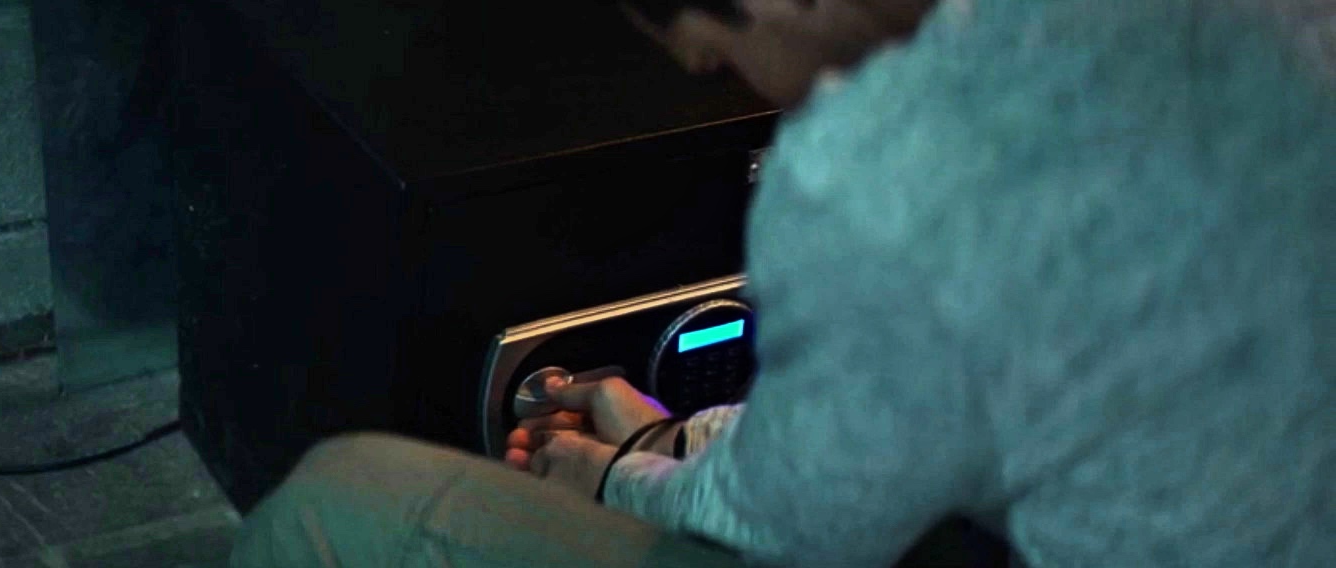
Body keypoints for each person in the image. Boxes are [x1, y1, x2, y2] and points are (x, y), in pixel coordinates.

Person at [230, 0, 1336, 566]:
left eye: (696, 39)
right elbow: (968, 394)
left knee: (336, 501)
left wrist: (611, 479)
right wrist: (681, 437)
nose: (701, 67)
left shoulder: (878, 167)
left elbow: (799, 533)